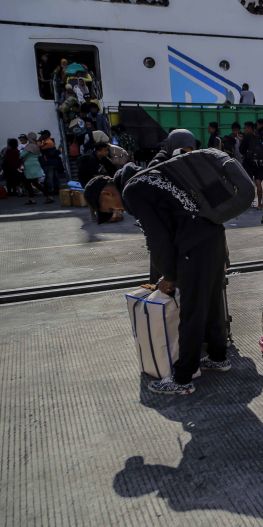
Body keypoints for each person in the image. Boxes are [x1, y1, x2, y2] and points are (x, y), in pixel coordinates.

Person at [84, 129, 229, 395]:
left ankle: (182, 380)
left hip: (194, 246)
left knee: (191, 312)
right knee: (210, 302)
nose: (116, 212)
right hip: (214, 235)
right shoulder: (148, 176)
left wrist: (169, 276)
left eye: (109, 208)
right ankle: (219, 357)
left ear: (106, 194)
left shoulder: (133, 191)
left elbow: (158, 239)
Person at [20, 133, 53, 205]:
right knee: (29, 182)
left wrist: (22, 153)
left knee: (33, 183)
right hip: (36, 164)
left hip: (30, 166)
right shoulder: (36, 145)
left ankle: (48, 196)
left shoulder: (29, 146)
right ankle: (32, 198)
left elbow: (21, 155)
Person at [239, 121, 263, 209]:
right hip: (259, 163)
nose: (244, 129)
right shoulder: (259, 137)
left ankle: (248, 203)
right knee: (258, 183)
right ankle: (259, 204)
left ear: (251, 129)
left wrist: (241, 141)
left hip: (248, 162)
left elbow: (241, 150)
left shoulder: (246, 137)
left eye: (246, 128)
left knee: (248, 183)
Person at [37, 130, 62, 195]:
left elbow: (39, 149)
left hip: (48, 163)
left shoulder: (48, 142)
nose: (41, 136)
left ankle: (51, 191)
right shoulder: (50, 141)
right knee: (55, 176)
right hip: (52, 162)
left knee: (49, 177)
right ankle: (57, 189)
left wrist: (39, 141)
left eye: (42, 135)